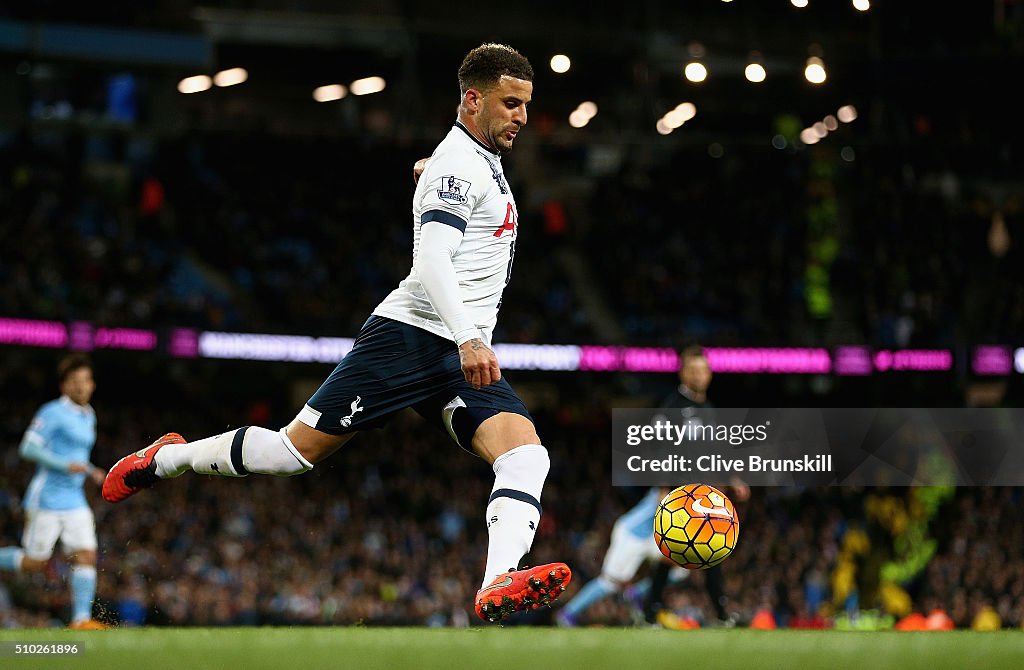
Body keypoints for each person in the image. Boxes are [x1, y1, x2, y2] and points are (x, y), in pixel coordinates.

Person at [102, 42, 571, 623]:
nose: (522, 117)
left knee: (527, 457)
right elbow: (431, 260)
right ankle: (166, 460)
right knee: (291, 454)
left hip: (452, 351)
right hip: (410, 339)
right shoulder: (458, 165)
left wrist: (430, 178)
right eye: (510, 104)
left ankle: (497, 580)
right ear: (472, 100)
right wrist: (471, 337)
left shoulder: (471, 159)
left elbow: (456, 197)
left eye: (525, 105)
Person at [643, 344, 749, 628]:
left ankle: (717, 613)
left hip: (702, 490)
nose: (700, 375)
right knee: (680, 552)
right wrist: (663, 488)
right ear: (682, 373)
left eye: (704, 370)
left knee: (708, 547)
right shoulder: (673, 407)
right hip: (681, 491)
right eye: (694, 370)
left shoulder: (707, 408)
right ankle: (652, 614)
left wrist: (731, 479)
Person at [0, 354, 109, 629]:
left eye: (85, 381)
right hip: (46, 497)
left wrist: (91, 471)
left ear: (92, 384)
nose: (81, 387)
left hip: (74, 499)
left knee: (86, 555)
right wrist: (64, 465)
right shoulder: (52, 412)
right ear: (64, 386)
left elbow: (77, 456)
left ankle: (81, 620)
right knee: (35, 562)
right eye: (75, 382)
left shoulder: (89, 415)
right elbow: (28, 448)